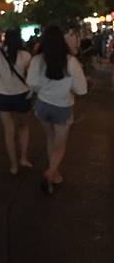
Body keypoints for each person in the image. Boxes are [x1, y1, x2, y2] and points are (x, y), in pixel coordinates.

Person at [27, 26, 88, 194]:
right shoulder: (71, 61)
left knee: (50, 138)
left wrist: (43, 88)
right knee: (60, 144)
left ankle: (54, 175)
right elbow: (82, 89)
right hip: (62, 107)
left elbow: (31, 83)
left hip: (42, 106)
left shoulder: (37, 60)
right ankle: (50, 173)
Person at [0, 28, 33, 175]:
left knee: (9, 132)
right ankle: (23, 158)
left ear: (5, 39)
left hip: (3, 95)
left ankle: (13, 165)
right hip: (22, 95)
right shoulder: (26, 55)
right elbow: (30, 76)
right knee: (24, 127)